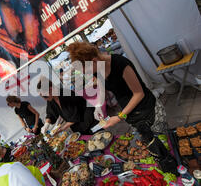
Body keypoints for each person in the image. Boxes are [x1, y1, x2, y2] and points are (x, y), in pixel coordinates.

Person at [66, 41, 178, 174]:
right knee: (151, 147)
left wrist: (119, 117)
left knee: (165, 146)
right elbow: (102, 90)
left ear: (94, 60)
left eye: (86, 70)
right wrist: (97, 106)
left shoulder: (121, 64)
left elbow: (139, 94)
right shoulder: (98, 69)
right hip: (131, 113)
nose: (86, 74)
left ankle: (179, 171)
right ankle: (168, 168)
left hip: (147, 109)